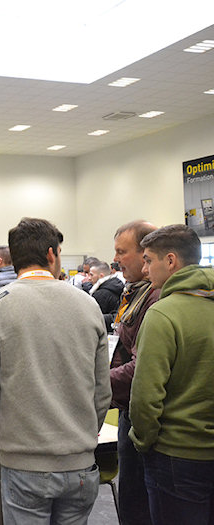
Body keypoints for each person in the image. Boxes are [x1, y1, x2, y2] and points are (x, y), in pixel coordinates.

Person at [0, 217, 111, 524]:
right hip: (80, 464)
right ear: (51, 254)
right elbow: (102, 391)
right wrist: (83, 434)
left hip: (24, 464)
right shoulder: (88, 305)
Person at [129, 224, 214, 525]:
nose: (144, 269)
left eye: (148, 260)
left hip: (176, 454)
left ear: (170, 261)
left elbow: (145, 396)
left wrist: (143, 442)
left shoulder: (163, 314)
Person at [110, 220, 160, 525]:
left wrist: (97, 383)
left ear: (146, 254)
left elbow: (142, 367)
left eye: (121, 251)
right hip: (129, 407)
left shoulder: (155, 298)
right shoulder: (134, 293)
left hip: (142, 414)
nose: (116, 259)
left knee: (138, 502)